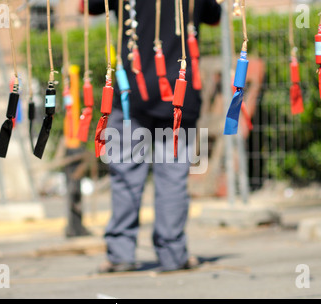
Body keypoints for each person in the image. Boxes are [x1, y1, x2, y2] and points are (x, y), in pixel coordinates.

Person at [81, 0, 221, 272]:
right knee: (173, 177)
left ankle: (121, 254)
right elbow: (214, 16)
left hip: (132, 92)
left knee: (125, 174)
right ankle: (172, 253)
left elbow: (88, 6)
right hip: (178, 93)